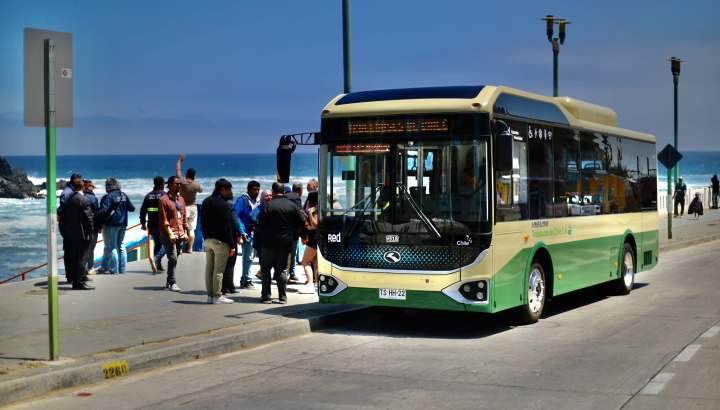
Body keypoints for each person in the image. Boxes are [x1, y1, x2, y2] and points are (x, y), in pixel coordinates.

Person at [256, 182, 306, 304]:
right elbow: (302, 221)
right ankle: (282, 297)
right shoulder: (291, 205)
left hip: (268, 244)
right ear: (283, 191)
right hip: (285, 244)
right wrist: (293, 233)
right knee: (282, 270)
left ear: (273, 191)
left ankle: (266, 297)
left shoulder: (268, 206)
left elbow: (259, 225)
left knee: (266, 270)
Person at [200, 179, 238, 304]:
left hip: (208, 240)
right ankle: (217, 295)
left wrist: (205, 237)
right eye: (229, 190)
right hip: (221, 242)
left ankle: (210, 296)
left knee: (209, 269)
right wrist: (232, 245)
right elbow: (227, 227)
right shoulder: (224, 205)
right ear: (222, 189)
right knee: (219, 270)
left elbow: (202, 222)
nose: (230, 192)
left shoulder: (206, 202)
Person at [59, 175, 94, 290]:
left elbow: (64, 215)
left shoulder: (70, 199)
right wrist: (91, 232)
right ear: (83, 187)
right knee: (80, 257)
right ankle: (78, 282)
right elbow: (88, 218)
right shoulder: (83, 200)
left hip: (71, 232)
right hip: (81, 233)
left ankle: (75, 279)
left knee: (74, 257)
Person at [97, 178, 135, 274]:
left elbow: (105, 210)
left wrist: (95, 214)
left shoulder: (109, 196)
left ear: (109, 186)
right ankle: (122, 269)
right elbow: (132, 208)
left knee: (111, 246)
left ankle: (114, 269)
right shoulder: (123, 195)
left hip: (111, 224)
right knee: (121, 246)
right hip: (123, 224)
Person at [158, 176, 188, 291]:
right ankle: (172, 282)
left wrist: (185, 232)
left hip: (180, 233)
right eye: (176, 184)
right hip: (168, 233)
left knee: (176, 257)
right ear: (169, 185)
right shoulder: (163, 200)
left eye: (180, 184)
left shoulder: (181, 199)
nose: (179, 186)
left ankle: (169, 280)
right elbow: (163, 219)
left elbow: (183, 217)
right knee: (173, 257)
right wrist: (170, 233)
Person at [234, 180, 261, 289]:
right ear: (248, 189)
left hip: (257, 232)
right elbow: (236, 216)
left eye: (258, 189)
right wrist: (241, 231)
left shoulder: (259, 201)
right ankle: (245, 280)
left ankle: (246, 279)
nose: (257, 191)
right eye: (255, 189)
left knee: (252, 257)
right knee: (248, 257)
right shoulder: (242, 200)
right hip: (247, 233)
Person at [175, 154, 203, 254]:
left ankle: (181, 249)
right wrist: (194, 180)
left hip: (183, 207)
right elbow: (201, 190)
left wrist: (180, 160)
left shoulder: (182, 181)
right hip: (193, 208)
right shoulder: (196, 184)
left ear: (186, 173)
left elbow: (178, 171)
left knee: (181, 227)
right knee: (191, 229)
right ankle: (190, 249)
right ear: (194, 175)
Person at [140, 176, 167, 272]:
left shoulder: (148, 195)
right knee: (167, 245)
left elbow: (143, 211)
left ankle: (157, 265)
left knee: (158, 244)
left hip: (152, 224)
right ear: (162, 184)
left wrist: (142, 223)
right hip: (163, 225)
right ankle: (156, 258)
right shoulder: (165, 195)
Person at [299, 191, 319, 294]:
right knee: (315, 263)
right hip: (317, 238)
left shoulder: (314, 210)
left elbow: (316, 225)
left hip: (313, 240)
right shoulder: (320, 208)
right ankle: (316, 284)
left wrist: (310, 213)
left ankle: (310, 284)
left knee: (305, 262)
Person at [285, 182, 304, 284]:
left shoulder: (285, 196)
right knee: (291, 254)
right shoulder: (296, 199)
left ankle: (290, 273)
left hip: (283, 229)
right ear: (300, 190)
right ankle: (288, 275)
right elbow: (299, 214)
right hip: (292, 231)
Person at [81, 180, 100, 275]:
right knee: (91, 247)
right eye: (92, 187)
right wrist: (100, 226)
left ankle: (88, 267)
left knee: (85, 247)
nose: (93, 188)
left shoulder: (80, 196)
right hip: (92, 226)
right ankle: (87, 268)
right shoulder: (93, 198)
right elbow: (97, 213)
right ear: (89, 187)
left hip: (81, 226)